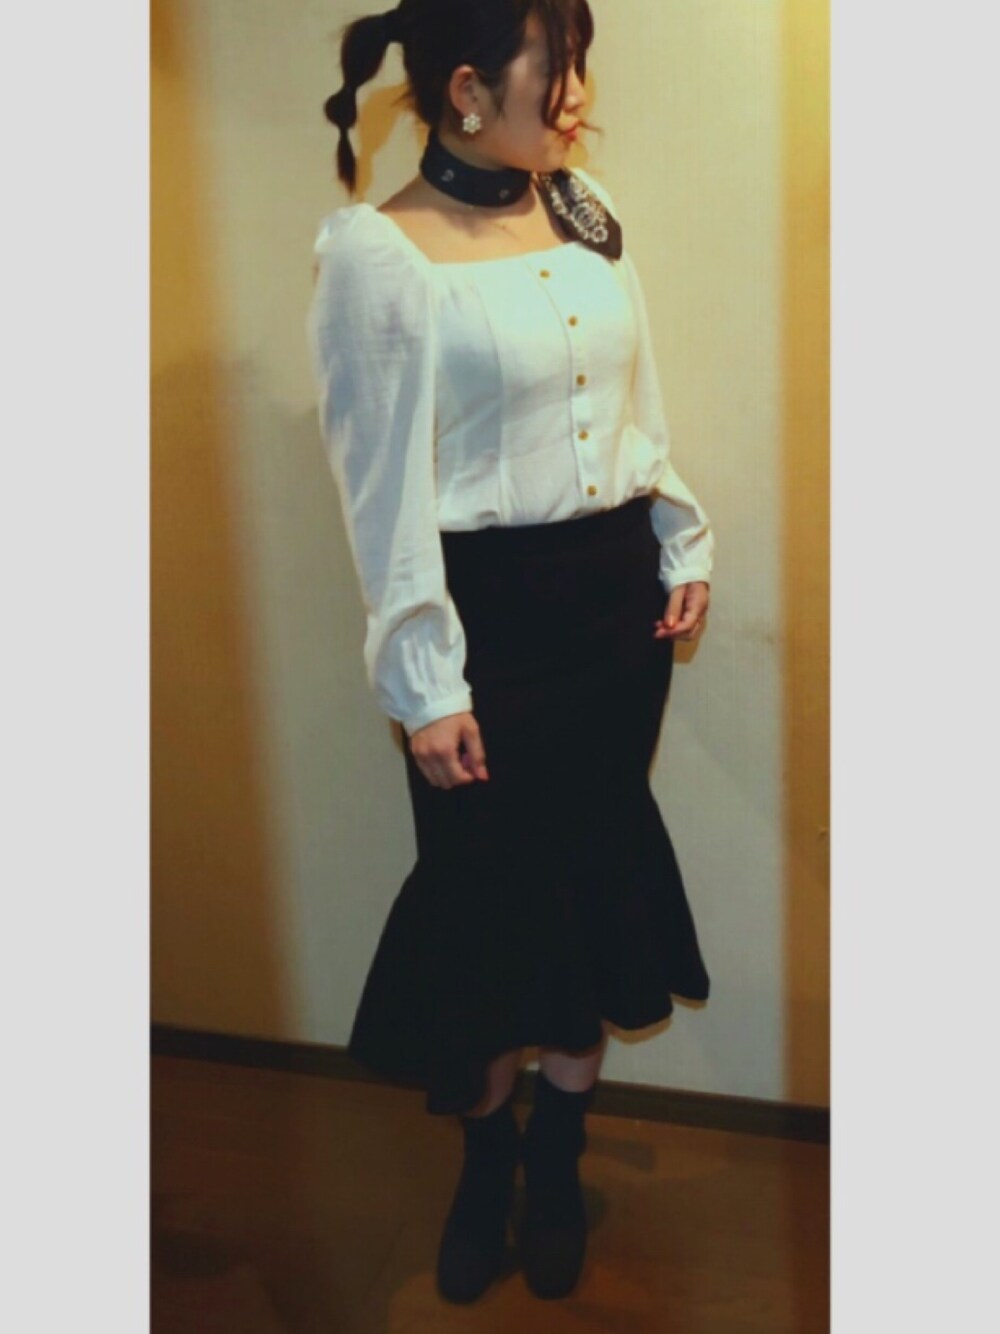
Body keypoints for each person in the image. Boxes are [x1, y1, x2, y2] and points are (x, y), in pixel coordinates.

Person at [306, 0, 713, 1306]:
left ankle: (557, 1156)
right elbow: (379, 492)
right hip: (484, 629)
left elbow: (634, 408)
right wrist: (424, 682)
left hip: (611, 619)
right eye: (563, 68)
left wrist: (679, 536)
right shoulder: (379, 257)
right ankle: (486, 1165)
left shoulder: (587, 212)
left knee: (590, 888)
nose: (582, 95)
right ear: (471, 88)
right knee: (487, 916)